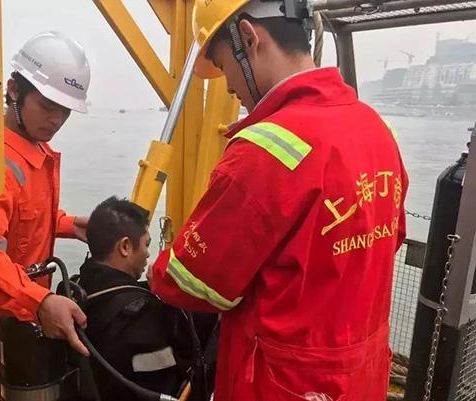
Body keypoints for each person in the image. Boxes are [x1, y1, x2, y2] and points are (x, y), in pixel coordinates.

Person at [149, 1, 408, 401]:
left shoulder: (263, 150)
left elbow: (196, 283)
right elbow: (392, 237)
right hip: (361, 377)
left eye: (223, 65)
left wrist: (156, 274)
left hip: (283, 383)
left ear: (249, 38)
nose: (229, 86)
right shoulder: (376, 130)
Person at [0, 31, 91, 401]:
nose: (56, 119)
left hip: (19, 324)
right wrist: (39, 302)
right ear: (14, 90)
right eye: (47, 105)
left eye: (65, 110)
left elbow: (22, 217)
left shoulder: (33, 150)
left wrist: (68, 225)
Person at [76, 196, 184, 401]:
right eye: (146, 244)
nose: (148, 254)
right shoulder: (142, 314)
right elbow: (165, 387)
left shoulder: (75, 291)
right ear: (125, 246)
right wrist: (169, 302)